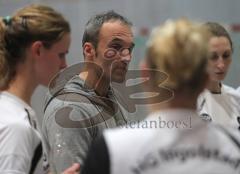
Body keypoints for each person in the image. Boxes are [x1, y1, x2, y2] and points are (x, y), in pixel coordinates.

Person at [81, 19, 240, 174]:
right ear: (206, 80)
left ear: (145, 73)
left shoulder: (112, 150)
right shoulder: (234, 146)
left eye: (226, 55)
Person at [42, 10, 135, 173]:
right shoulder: (69, 111)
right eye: (116, 47)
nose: (126, 57)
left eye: (129, 49)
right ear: (89, 50)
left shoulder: (113, 98)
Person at [0, 4, 79, 174]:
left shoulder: (16, 111)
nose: (64, 65)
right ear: (37, 50)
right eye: (61, 54)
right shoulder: (15, 126)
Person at [197, 22, 240, 127]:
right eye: (213, 56)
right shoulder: (188, 102)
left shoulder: (236, 99)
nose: (221, 65)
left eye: (226, 55)